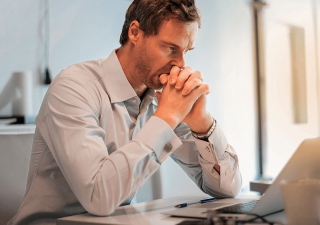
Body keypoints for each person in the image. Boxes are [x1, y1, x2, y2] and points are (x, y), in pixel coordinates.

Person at [9, 0, 241, 224]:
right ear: (135, 32)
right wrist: (167, 117)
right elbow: (98, 198)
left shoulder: (161, 97)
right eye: (170, 48)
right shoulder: (73, 87)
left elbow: (227, 189)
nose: (180, 64)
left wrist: (202, 124)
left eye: (186, 51)